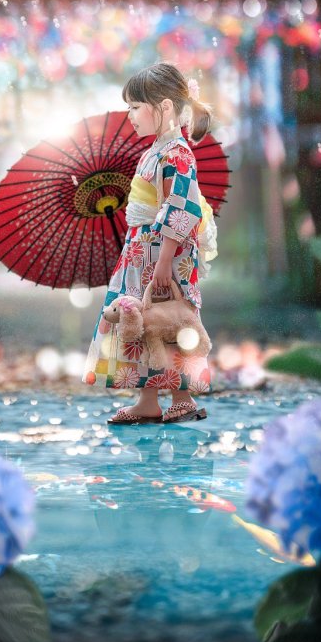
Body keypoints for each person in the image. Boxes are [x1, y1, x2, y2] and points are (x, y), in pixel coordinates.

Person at [82, 62, 217, 424]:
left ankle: (182, 397)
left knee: (169, 320)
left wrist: (163, 261)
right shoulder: (156, 151)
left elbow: (181, 207)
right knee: (141, 320)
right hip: (144, 248)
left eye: (136, 107)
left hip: (164, 253)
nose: (131, 116)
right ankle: (148, 399)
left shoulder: (177, 154)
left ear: (165, 107)